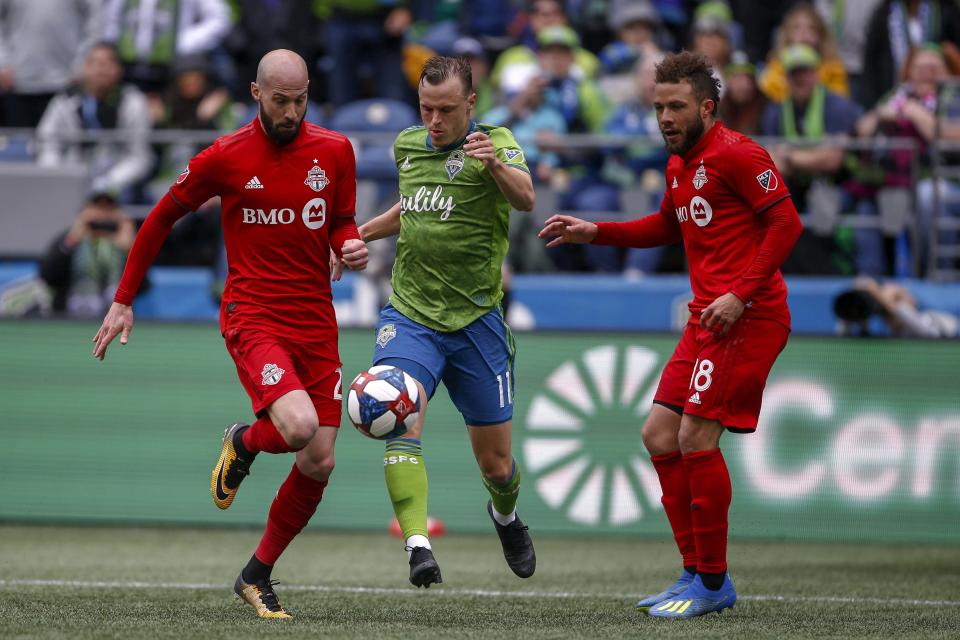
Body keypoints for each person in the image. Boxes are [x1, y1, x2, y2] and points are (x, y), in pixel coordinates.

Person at [90, 49, 369, 618]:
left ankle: (256, 575)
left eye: (300, 100)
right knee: (297, 427)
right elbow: (162, 215)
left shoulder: (336, 151)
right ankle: (243, 441)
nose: (291, 112)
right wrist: (122, 299)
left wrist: (349, 245)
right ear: (255, 93)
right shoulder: (226, 156)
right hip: (254, 315)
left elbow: (339, 219)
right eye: (280, 100)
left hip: (316, 321)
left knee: (319, 460)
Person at [539, 51, 802, 618]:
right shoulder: (680, 163)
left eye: (676, 106)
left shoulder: (738, 154)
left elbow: (786, 222)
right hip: (708, 318)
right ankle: (692, 573)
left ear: (706, 106)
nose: (664, 117)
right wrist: (596, 232)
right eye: (658, 106)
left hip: (748, 316)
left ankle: (713, 583)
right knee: (660, 434)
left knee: (694, 439)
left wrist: (740, 293)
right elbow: (667, 225)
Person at [356, 55, 536, 589]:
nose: (434, 121)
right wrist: (358, 236)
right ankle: (417, 545)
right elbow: (410, 207)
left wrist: (495, 166)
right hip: (411, 313)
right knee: (400, 414)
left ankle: (505, 516)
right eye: (426, 109)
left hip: (477, 318)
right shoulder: (408, 146)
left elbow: (526, 199)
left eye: (446, 110)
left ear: (471, 105)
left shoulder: (497, 141)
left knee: (497, 465)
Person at [35, 42, 153, 202]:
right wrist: (58, 175)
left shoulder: (133, 102)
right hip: (69, 179)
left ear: (119, 70)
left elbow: (140, 157)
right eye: (94, 63)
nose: (100, 69)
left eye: (107, 63)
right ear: (84, 68)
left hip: (118, 183)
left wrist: (108, 184)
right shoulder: (64, 101)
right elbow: (47, 144)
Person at [38, 192, 138, 317]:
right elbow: (47, 276)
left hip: (116, 316)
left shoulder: (124, 241)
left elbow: (143, 286)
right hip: (70, 315)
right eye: (97, 207)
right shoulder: (69, 238)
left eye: (108, 209)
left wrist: (132, 250)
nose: (102, 214)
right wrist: (72, 240)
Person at [758, 2, 850, 104]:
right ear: (787, 35)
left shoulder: (833, 67)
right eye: (797, 28)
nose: (804, 33)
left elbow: (840, 99)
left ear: (821, 35)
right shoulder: (777, 65)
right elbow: (769, 93)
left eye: (811, 28)